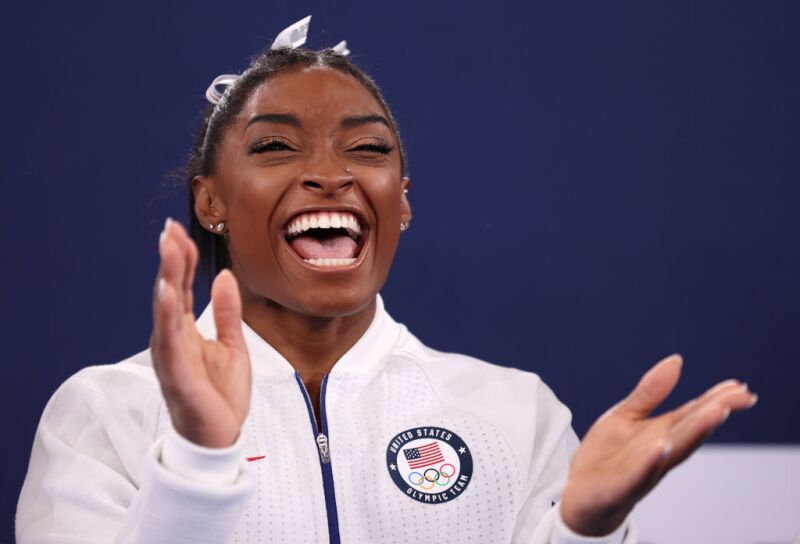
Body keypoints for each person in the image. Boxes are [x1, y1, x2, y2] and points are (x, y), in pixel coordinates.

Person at [16, 17, 757, 544]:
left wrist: (580, 535)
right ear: (211, 200)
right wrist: (200, 463)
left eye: (366, 149)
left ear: (400, 201)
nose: (330, 174)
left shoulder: (515, 415)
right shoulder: (102, 415)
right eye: (275, 146)